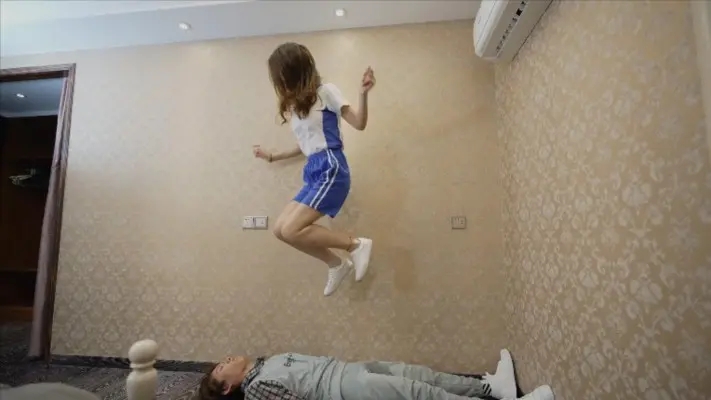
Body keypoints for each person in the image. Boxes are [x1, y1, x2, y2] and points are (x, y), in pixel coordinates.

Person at [252, 42, 375, 296]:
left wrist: (363, 94)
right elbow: (305, 145)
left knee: (292, 229)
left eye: (281, 76)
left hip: (331, 166)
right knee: (280, 230)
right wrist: (272, 156)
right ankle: (336, 264)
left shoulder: (326, 92)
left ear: (293, 71)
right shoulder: (298, 108)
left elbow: (359, 123)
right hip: (313, 170)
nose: (280, 83)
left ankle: (355, 245)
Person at [197, 349, 554, 400]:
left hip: (347, 370)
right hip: (344, 389)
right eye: (221, 368)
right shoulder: (257, 389)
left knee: (419, 375)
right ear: (227, 388)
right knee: (419, 394)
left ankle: (490, 388)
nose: (225, 359)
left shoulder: (265, 362)